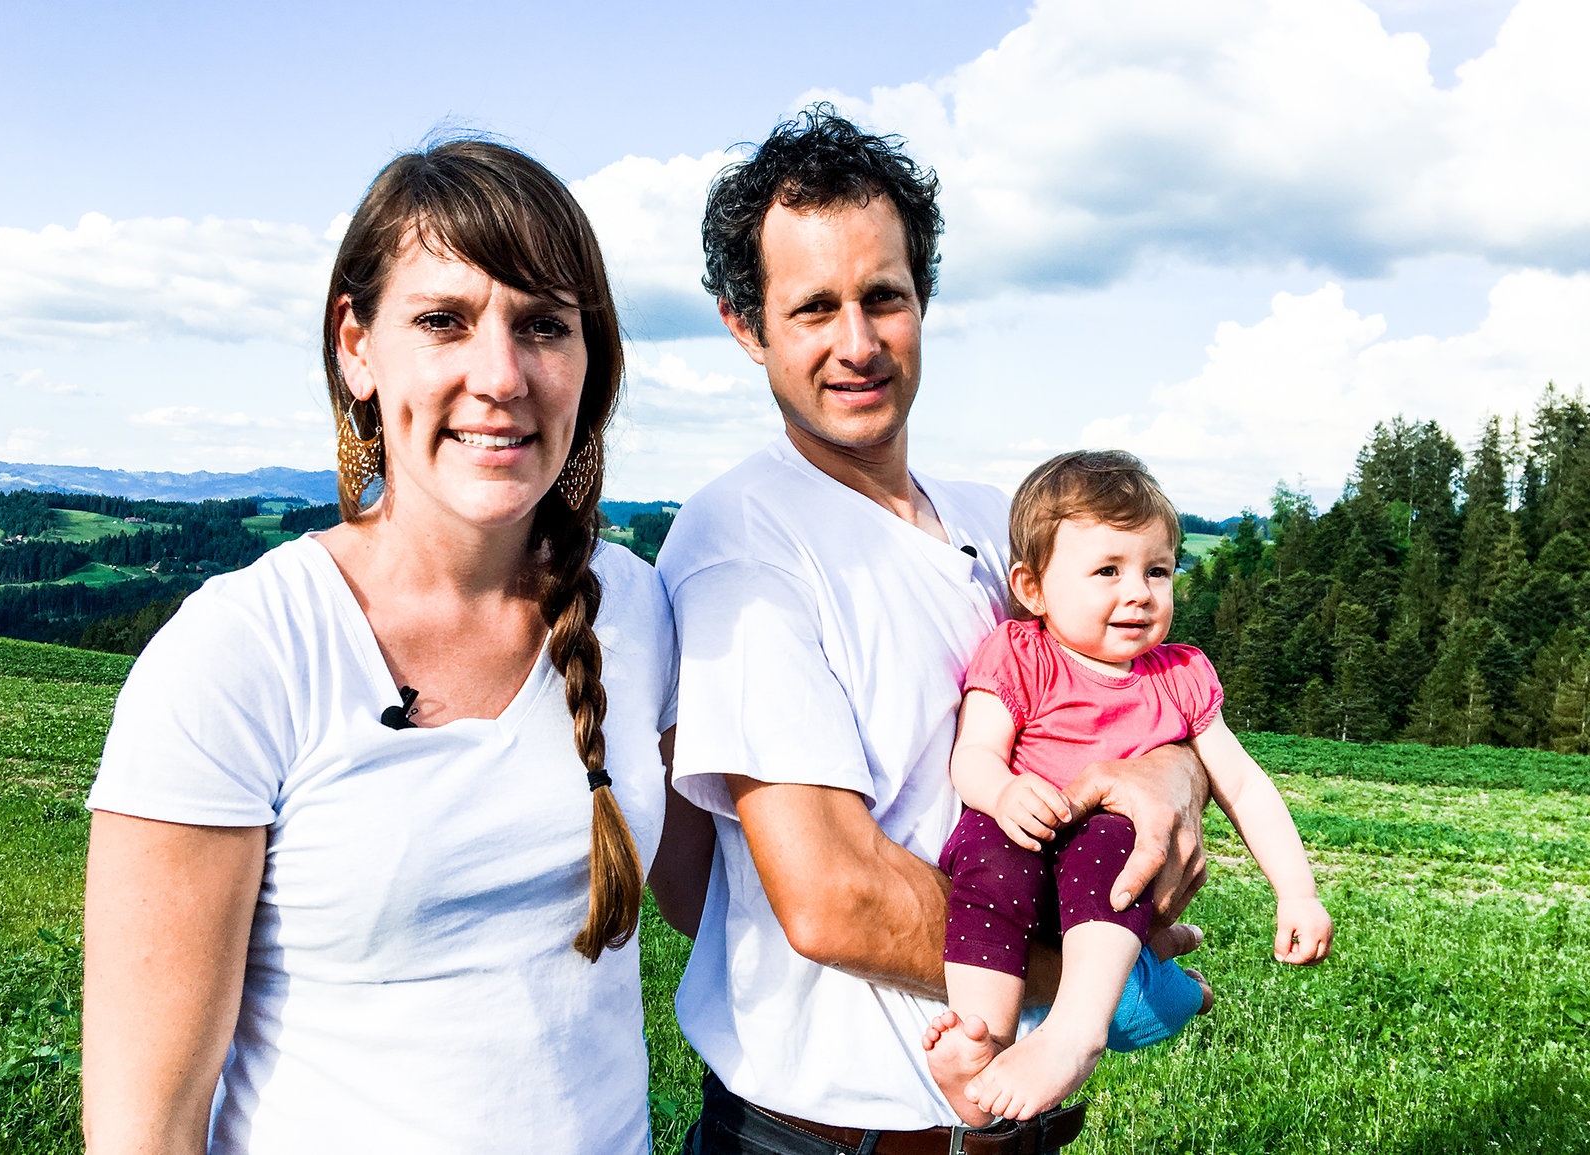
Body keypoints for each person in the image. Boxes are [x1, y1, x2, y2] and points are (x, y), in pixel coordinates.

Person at [81, 140, 711, 1154]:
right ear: (357, 348)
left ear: (588, 361)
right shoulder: (240, 653)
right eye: (442, 321)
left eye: (543, 325)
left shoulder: (636, 608)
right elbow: (144, 1126)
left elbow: (719, 892)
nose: (500, 376)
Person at [657, 106, 1212, 1155]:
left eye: (884, 297)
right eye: (812, 308)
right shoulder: (744, 543)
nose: (858, 344)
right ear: (745, 325)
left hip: (1018, 1131)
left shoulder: (994, 519)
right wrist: (1091, 978)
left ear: (924, 297)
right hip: (829, 1141)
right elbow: (832, 899)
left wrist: (1171, 777)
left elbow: (1132, 696)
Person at [923, 450, 1334, 1124]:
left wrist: (1298, 893)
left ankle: (1074, 1033)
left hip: (1110, 896)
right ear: (1032, 587)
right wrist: (1001, 794)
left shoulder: (1180, 675)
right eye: (1108, 571)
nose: (1139, 592)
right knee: (989, 848)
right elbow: (973, 754)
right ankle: (983, 1043)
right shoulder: (1019, 653)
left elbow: (1243, 784)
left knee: (1115, 836)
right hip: (1024, 860)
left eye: (1157, 570)